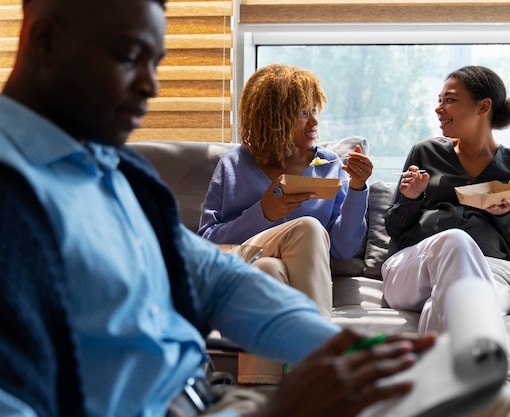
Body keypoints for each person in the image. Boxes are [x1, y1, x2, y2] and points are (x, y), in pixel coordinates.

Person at [0, 1, 435, 416]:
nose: (151, 85)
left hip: (205, 396)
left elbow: (215, 279)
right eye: (130, 55)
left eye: (156, 62)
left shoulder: (121, 171)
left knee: (473, 398)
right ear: (47, 40)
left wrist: (345, 353)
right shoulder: (16, 199)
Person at [382, 65, 510, 416]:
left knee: (436, 310)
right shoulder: (424, 153)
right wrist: (410, 199)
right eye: (438, 100)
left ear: (483, 107)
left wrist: (505, 214)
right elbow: (393, 228)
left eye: (450, 101)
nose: (438, 108)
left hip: (490, 271)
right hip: (414, 266)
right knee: (454, 241)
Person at [197, 64, 372, 384]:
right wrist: (263, 212)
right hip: (237, 266)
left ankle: (258, 393)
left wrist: (357, 190)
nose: (315, 122)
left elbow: (345, 248)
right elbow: (206, 243)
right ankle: (323, 363)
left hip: (261, 276)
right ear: (273, 116)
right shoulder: (234, 164)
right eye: (303, 113)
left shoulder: (330, 165)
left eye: (315, 110)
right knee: (306, 227)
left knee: (270, 272)